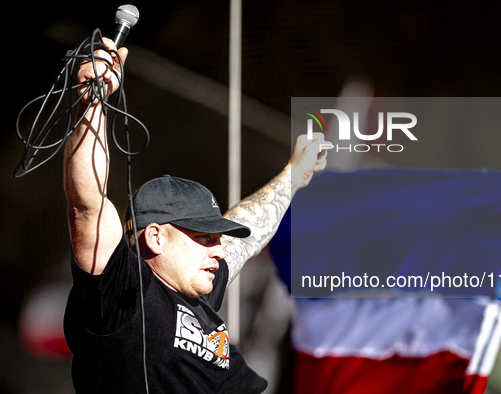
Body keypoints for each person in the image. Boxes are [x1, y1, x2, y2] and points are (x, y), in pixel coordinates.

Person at [62, 38, 330, 393]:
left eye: (217, 239)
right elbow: (87, 204)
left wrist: (294, 175)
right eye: (204, 237)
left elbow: (250, 228)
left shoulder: (199, 290)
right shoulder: (122, 293)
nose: (218, 250)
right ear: (155, 237)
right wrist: (90, 102)